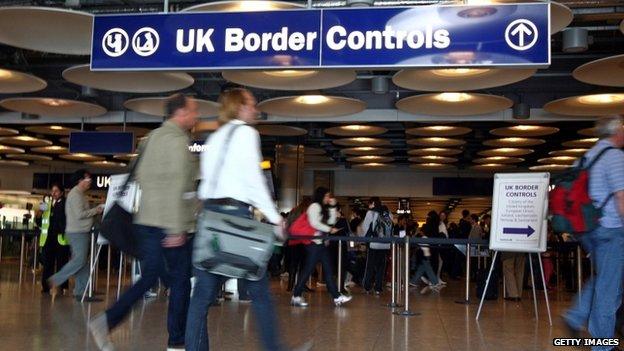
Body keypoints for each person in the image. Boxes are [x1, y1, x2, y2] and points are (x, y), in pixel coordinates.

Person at [89, 93, 199, 351]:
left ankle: (106, 320)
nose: (196, 116)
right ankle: (176, 341)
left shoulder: (149, 140)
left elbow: (139, 177)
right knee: (181, 283)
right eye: (193, 111)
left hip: (145, 220)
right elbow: (175, 185)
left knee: (149, 277)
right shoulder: (177, 142)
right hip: (169, 225)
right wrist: (175, 227)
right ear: (180, 113)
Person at [185, 88, 288, 351]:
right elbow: (254, 182)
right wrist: (276, 219)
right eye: (252, 104)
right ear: (240, 107)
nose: (256, 109)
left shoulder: (214, 137)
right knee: (260, 292)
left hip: (210, 219)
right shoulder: (246, 133)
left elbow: (205, 183)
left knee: (201, 297)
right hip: (236, 219)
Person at [564, 116, 624, 350]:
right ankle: (603, 346)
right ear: (617, 131)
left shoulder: (585, 158)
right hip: (611, 229)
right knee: (609, 289)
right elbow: (621, 197)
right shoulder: (615, 157)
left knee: (608, 280)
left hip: (588, 229)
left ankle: (576, 315)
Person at [291, 187, 352, 307]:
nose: (328, 198)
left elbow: (330, 222)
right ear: (321, 196)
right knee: (309, 269)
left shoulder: (322, 208)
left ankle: (336, 296)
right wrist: (329, 229)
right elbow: (315, 223)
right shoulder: (314, 207)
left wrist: (333, 208)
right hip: (314, 243)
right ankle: (296, 295)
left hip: (320, 243)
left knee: (328, 270)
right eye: (327, 196)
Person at [48, 170, 103, 301]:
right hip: (77, 232)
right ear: (80, 180)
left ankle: (80, 292)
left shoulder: (80, 194)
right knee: (79, 260)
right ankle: (56, 280)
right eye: (88, 180)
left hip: (80, 231)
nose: (90, 182)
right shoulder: (75, 195)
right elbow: (79, 214)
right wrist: (97, 210)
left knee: (82, 262)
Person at [40, 183, 69, 295]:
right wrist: (43, 209)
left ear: (61, 192)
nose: (54, 193)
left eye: (56, 191)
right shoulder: (48, 203)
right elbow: (42, 216)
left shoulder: (65, 203)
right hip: (49, 237)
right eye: (52, 191)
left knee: (62, 263)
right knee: (48, 263)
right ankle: (46, 286)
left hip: (61, 237)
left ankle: (63, 286)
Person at [359, 197, 391, 295]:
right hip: (385, 244)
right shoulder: (388, 213)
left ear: (373, 203)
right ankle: (378, 288)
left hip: (374, 243)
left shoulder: (371, 213)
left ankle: (367, 287)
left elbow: (365, 228)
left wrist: (362, 238)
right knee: (381, 266)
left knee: (370, 265)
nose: (369, 206)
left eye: (369, 204)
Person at [285, 198, 312, 292]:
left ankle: (290, 286)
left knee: (293, 264)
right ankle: (301, 285)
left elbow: (287, 224)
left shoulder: (293, 210)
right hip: (304, 241)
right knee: (303, 265)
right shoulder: (307, 212)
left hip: (292, 240)